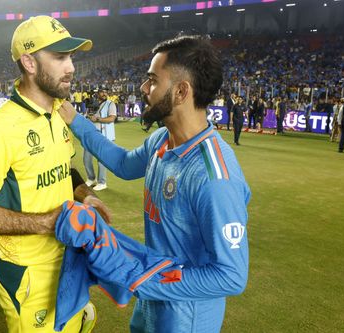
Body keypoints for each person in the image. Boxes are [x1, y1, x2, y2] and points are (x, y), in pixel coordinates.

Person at [59, 35, 250, 333]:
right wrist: (75, 120)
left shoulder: (215, 177)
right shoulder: (162, 139)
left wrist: (147, 278)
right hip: (152, 300)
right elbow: (122, 164)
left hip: (186, 316)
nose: (143, 89)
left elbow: (231, 276)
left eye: (152, 81)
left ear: (181, 91)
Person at [0, 15, 110, 333]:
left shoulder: (56, 114)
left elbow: (64, 170)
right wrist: (46, 223)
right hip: (28, 274)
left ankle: (78, 315)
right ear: (29, 62)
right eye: (59, 57)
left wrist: (87, 196)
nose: (71, 67)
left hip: (69, 259)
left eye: (71, 57)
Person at [84, 87, 116, 191]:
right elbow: (87, 117)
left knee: (101, 160)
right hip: (92, 135)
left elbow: (112, 118)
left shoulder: (111, 104)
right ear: (98, 93)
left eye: (106, 92)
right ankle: (91, 178)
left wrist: (97, 119)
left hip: (104, 135)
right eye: (102, 92)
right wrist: (88, 116)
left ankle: (102, 182)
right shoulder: (93, 103)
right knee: (86, 158)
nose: (104, 93)